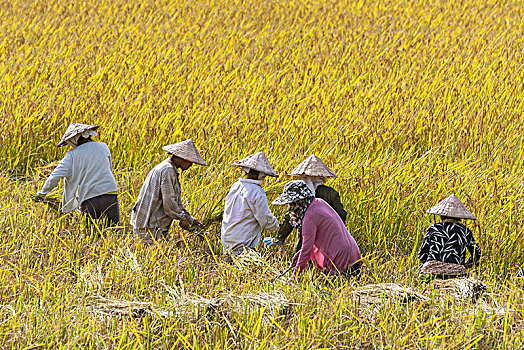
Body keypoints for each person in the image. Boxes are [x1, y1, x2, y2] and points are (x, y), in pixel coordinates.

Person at [36, 122, 119, 227]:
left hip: (89, 198)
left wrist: (42, 193)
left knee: (92, 234)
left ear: (74, 139)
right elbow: (109, 169)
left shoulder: (71, 155)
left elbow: (55, 176)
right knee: (113, 230)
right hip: (110, 193)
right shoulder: (103, 147)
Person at [272, 180, 361, 277]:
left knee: (335, 288)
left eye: (292, 203)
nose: (291, 207)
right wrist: (299, 255)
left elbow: (307, 249)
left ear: (300, 201)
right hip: (352, 252)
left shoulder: (309, 217)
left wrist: (294, 277)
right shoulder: (319, 202)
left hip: (340, 257)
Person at [263, 155, 346, 253]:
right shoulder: (330, 193)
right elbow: (341, 215)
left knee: (301, 258)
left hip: (303, 238)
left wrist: (279, 238)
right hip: (326, 238)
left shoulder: (298, 193)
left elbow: (290, 217)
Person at [131, 139, 206, 245]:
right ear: (181, 159)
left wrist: (190, 219)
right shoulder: (168, 170)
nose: (191, 165)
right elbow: (169, 203)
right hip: (149, 225)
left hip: (151, 223)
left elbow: (175, 201)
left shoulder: (168, 168)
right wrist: (182, 218)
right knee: (150, 256)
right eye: (190, 161)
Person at [221, 152, 279, 256]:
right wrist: (277, 227)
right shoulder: (257, 192)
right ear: (259, 174)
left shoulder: (236, 186)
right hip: (243, 240)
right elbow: (264, 218)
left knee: (228, 265)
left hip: (227, 236)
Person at [418, 194, 481, 279]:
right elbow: (476, 253)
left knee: (424, 280)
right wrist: (468, 264)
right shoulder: (466, 231)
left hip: (431, 273)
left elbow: (422, 255)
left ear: (441, 215)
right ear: (460, 217)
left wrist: (433, 264)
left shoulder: (433, 228)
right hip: (456, 275)